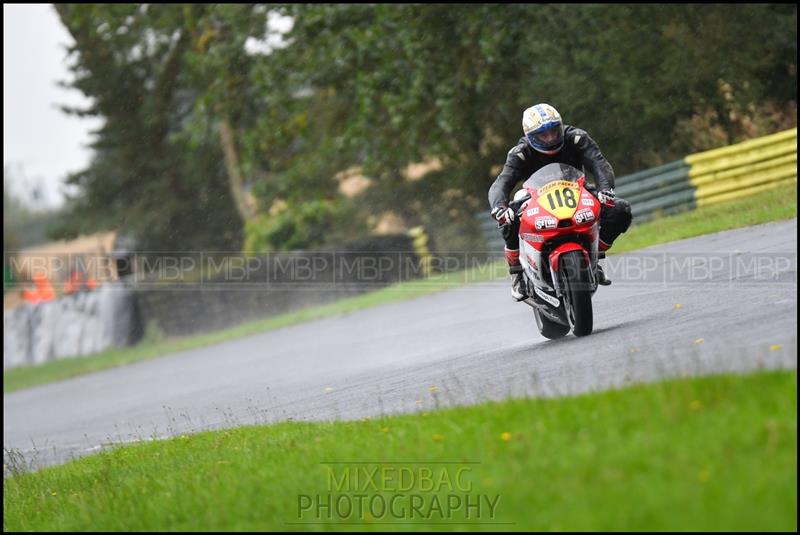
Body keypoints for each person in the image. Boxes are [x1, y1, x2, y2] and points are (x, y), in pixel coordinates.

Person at [488, 103, 632, 300]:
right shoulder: (520, 152)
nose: (550, 138)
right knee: (508, 220)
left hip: (577, 190)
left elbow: (599, 163)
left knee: (620, 210)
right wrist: (499, 207)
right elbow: (502, 182)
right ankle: (517, 274)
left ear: (561, 126)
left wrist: (606, 189)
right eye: (542, 135)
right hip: (534, 198)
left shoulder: (577, 138)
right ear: (530, 136)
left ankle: (594, 258)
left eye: (554, 131)